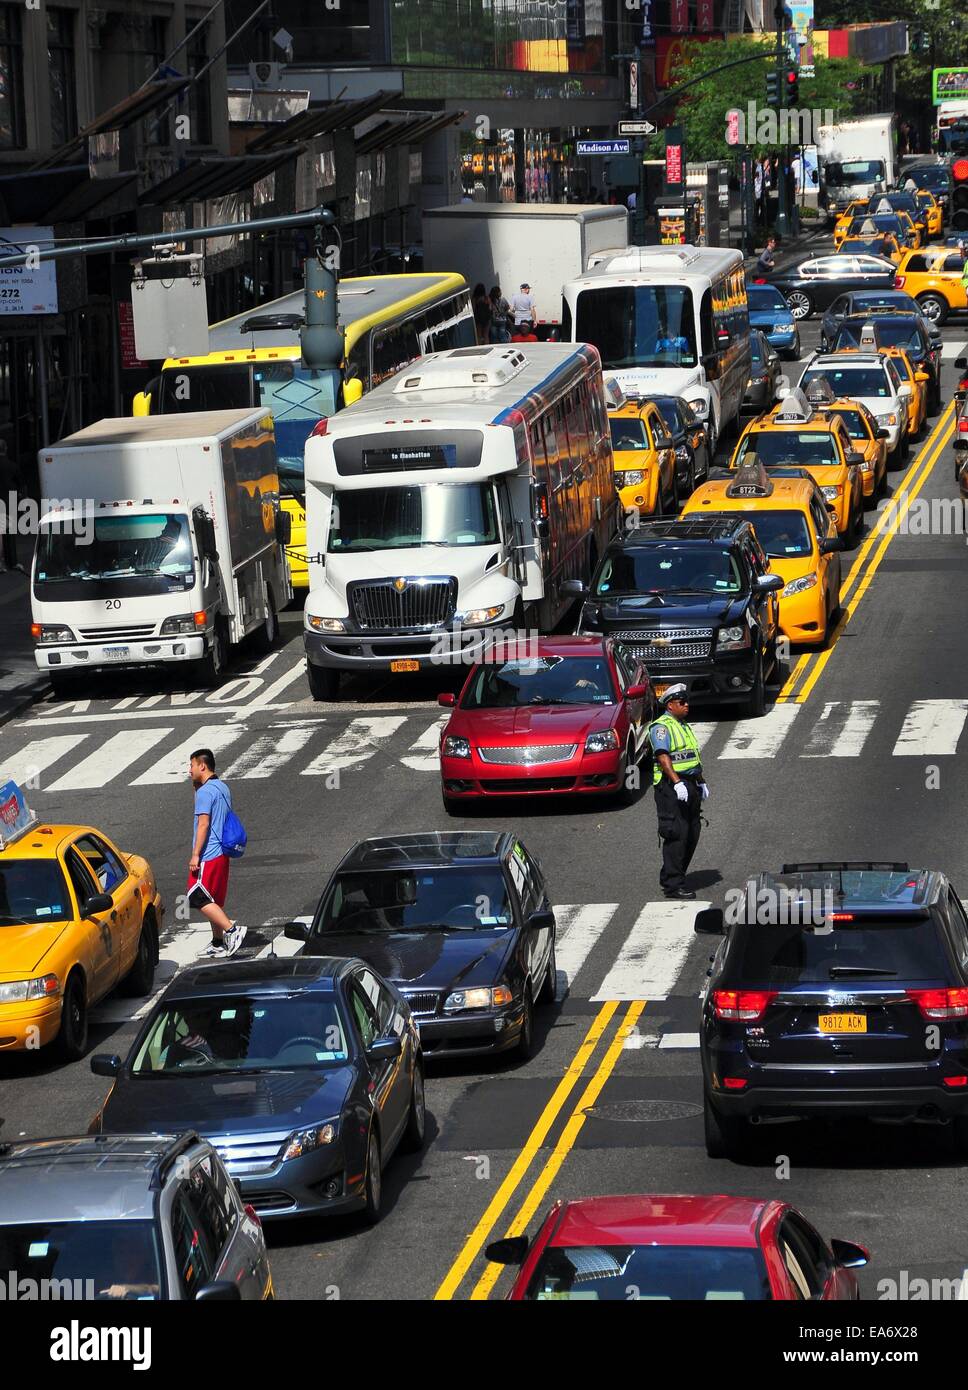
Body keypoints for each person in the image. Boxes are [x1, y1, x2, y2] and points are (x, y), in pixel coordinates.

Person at [648, 684, 708, 900]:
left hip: (690, 784)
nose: (686, 705)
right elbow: (663, 758)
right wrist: (677, 783)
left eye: (686, 701)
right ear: (670, 704)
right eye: (682, 702)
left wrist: (700, 782)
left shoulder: (682, 725)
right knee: (677, 835)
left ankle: (672, 875)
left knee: (693, 832)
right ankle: (673, 885)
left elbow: (691, 757)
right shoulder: (661, 727)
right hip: (672, 787)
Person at [188, 748, 246, 957]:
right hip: (222, 852)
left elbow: (203, 824)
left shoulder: (205, 792)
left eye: (192, 765)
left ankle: (232, 930)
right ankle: (218, 942)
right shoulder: (222, 787)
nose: (189, 770)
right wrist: (196, 786)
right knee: (213, 900)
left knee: (197, 896)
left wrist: (195, 855)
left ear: (202, 765)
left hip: (208, 854)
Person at [0, 439, 20, 572]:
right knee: (9, 534)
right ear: (5, 449)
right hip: (9, 503)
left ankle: (1, 564)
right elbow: (20, 483)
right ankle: (12, 562)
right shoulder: (12, 466)